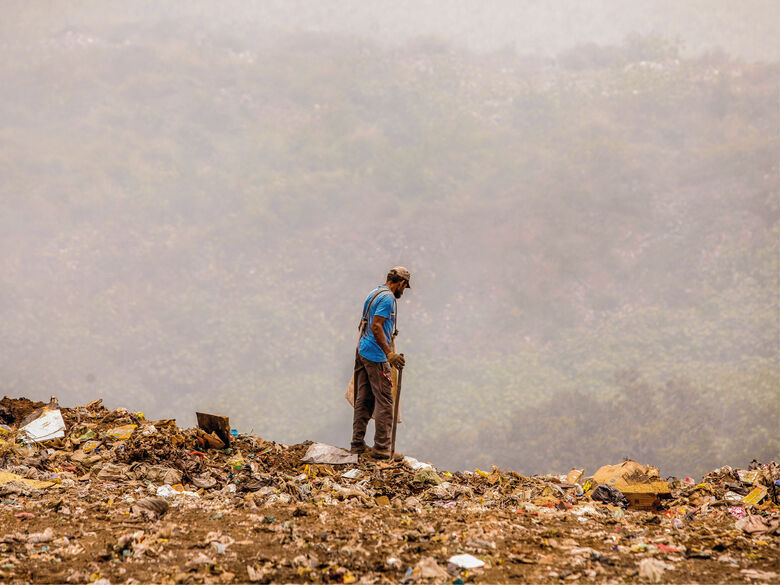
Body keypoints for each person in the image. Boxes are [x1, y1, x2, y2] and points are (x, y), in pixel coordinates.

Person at [350, 266, 411, 460]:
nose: (403, 291)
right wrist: (389, 354)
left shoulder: (374, 292)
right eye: (404, 287)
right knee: (385, 400)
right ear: (400, 283)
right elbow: (376, 326)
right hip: (376, 355)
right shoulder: (388, 298)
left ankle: (357, 444)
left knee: (364, 398)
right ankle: (383, 448)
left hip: (363, 350)